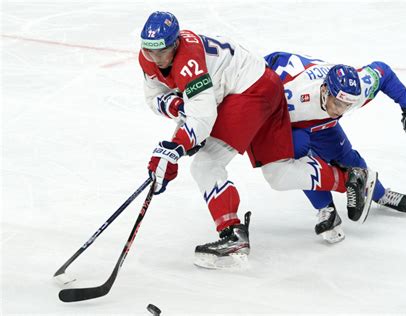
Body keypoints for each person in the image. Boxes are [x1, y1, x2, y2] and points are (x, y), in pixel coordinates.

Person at [139, 12, 376, 268]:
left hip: (249, 93)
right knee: (279, 174)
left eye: (162, 51)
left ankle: (232, 235)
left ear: (175, 43)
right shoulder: (149, 58)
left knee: (206, 164)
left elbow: (203, 116)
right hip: (263, 87)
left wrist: (175, 147)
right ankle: (350, 179)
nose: (156, 58)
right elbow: (156, 97)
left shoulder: (189, 61)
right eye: (150, 51)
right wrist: (176, 108)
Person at [264, 52, 406, 244]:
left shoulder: (358, 89)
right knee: (296, 156)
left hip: (318, 119)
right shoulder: (293, 99)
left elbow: (383, 71)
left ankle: (380, 194)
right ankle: (326, 209)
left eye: (347, 105)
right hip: (288, 112)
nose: (340, 111)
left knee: (347, 159)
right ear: (325, 90)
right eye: (338, 103)